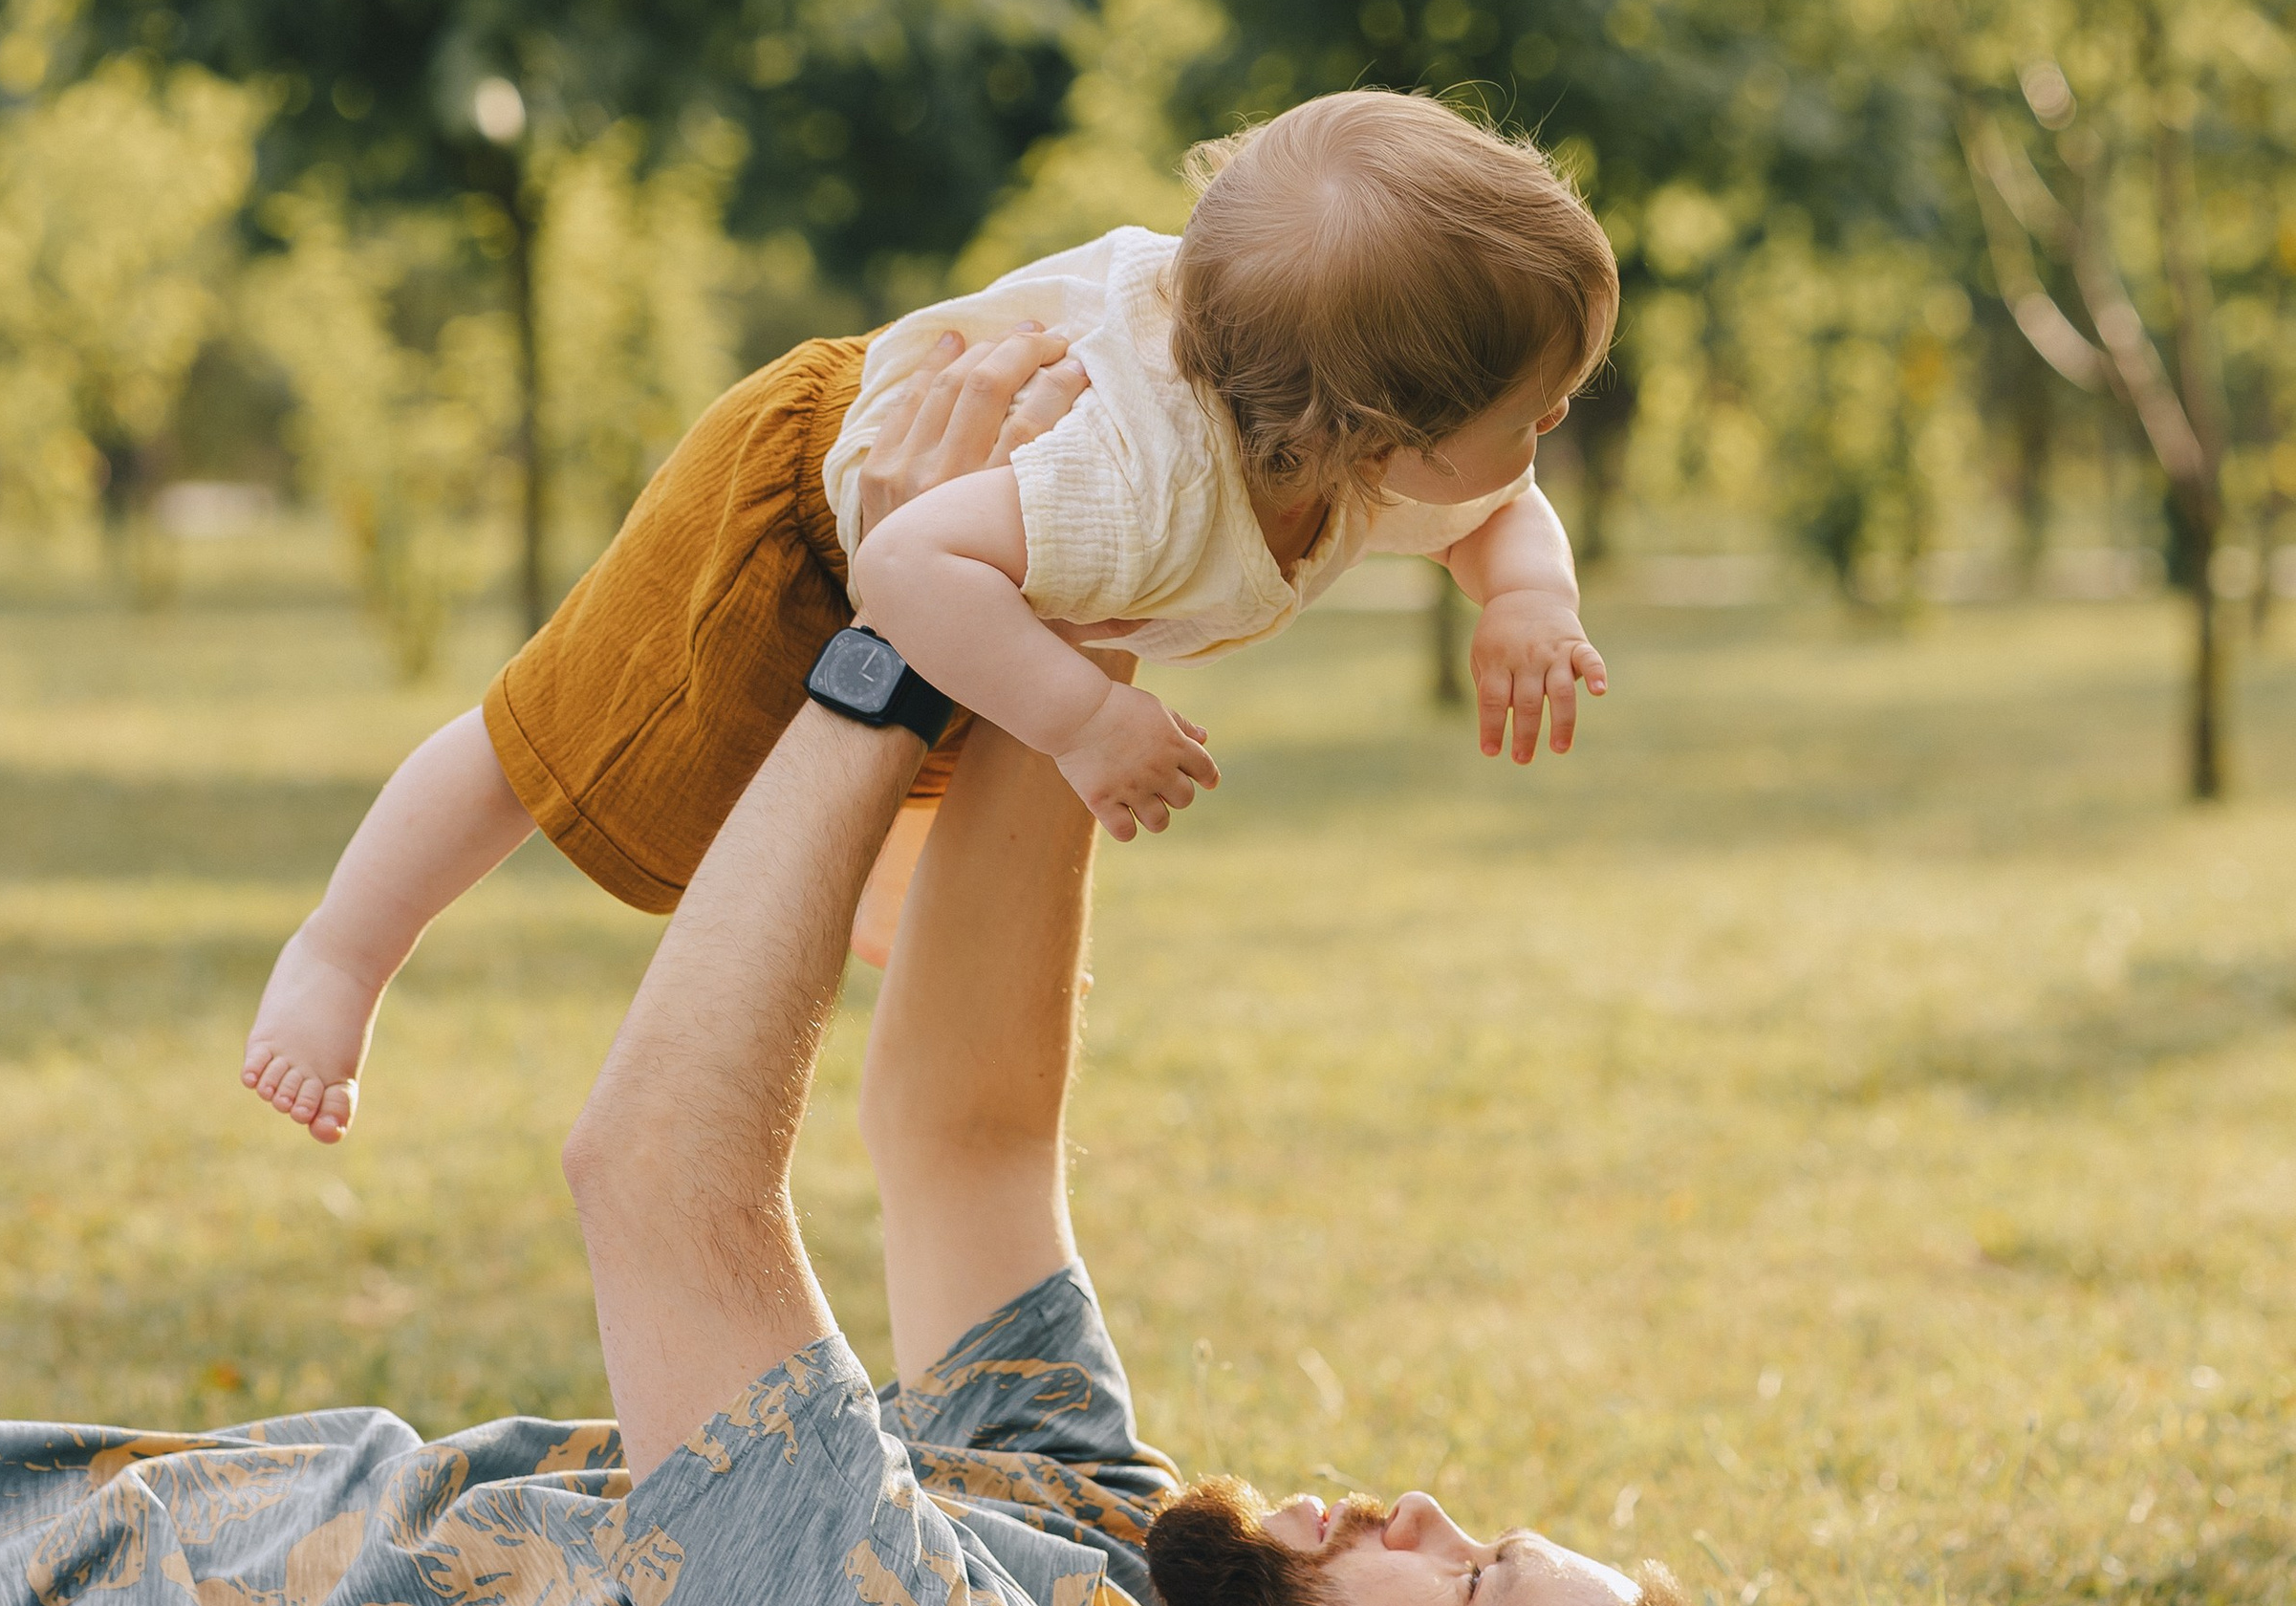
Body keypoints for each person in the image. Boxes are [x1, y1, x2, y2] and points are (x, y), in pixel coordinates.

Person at [0, 386, 1737, 1606]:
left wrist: (883, 668)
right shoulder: (1100, 1579)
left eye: (1468, 1569)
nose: (1417, 1505)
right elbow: (968, 1133)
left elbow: (658, 1183)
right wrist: (1072, 592)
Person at [241, 86, 1620, 1147]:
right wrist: (1086, 717)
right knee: (557, 740)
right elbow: (906, 566)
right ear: (1378, 433)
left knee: (968, 705)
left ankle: (893, 887)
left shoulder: (1361, 435)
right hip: (806, 512)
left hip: (979, 561)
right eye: (1533, 416)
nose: (1551, 436)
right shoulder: (1136, 484)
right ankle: (340, 951)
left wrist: (1528, 599)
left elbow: (1496, 511)